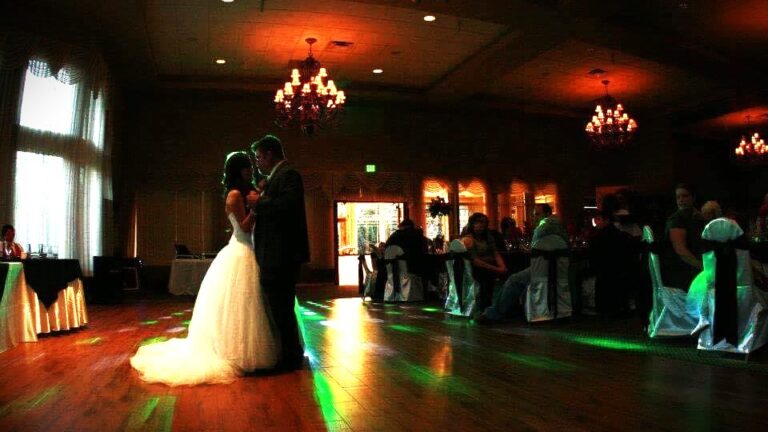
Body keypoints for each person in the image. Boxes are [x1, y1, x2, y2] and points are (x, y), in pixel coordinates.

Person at [130, 151, 278, 385]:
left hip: (250, 251)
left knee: (249, 305)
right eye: (247, 166)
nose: (252, 169)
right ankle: (237, 352)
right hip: (241, 250)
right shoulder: (234, 195)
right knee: (241, 305)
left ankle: (245, 350)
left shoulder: (246, 192)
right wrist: (257, 208)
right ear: (239, 170)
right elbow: (245, 228)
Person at [248, 134, 310, 371]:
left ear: (270, 154)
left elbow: (287, 207)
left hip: (281, 254)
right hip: (276, 253)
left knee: (281, 307)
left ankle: (290, 357)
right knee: (279, 306)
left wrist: (257, 203)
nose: (257, 163)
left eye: (259, 157)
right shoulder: (278, 177)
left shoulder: (289, 175)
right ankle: (288, 354)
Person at [475, 203, 568, 323]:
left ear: (547, 214)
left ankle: (494, 313)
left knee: (513, 279)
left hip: (542, 270)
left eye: (537, 214)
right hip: (561, 271)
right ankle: (516, 308)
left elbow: (535, 251)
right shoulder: (561, 227)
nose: (534, 217)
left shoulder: (542, 228)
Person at [661, 183, 705, 290]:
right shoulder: (676, 219)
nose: (681, 200)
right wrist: (703, 268)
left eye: (685, 196)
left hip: (694, 269)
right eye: (678, 197)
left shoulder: (697, 217)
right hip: (683, 272)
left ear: (693, 197)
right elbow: (681, 250)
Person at [461, 213, 507, 310]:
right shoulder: (468, 239)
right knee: (486, 277)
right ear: (472, 224)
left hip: (489, 266)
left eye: (484, 223)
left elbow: (496, 253)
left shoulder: (488, 237)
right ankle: (485, 308)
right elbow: (475, 261)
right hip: (476, 269)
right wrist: (497, 268)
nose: (481, 225)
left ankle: (503, 306)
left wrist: (502, 266)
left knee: (508, 272)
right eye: (478, 222)